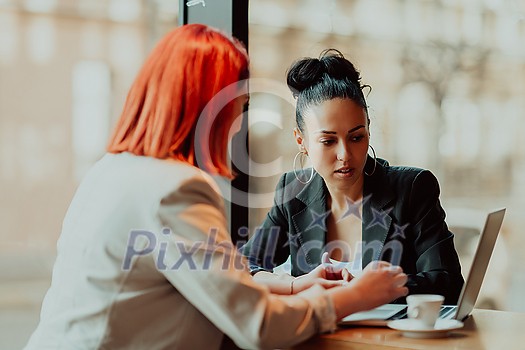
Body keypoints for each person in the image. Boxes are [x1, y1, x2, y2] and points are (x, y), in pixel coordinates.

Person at [25, 26, 408, 350]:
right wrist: (355, 296)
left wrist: (295, 286)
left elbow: (219, 278)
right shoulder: (174, 189)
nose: (237, 123)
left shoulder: (110, 171)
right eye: (237, 104)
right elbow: (258, 326)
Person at [242, 49, 464, 305]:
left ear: (368, 129)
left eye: (356, 137)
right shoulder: (292, 191)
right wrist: (294, 285)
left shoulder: (412, 188)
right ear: (301, 141)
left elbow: (448, 282)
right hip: (322, 338)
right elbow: (244, 267)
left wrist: (368, 290)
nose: (345, 155)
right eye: (328, 141)